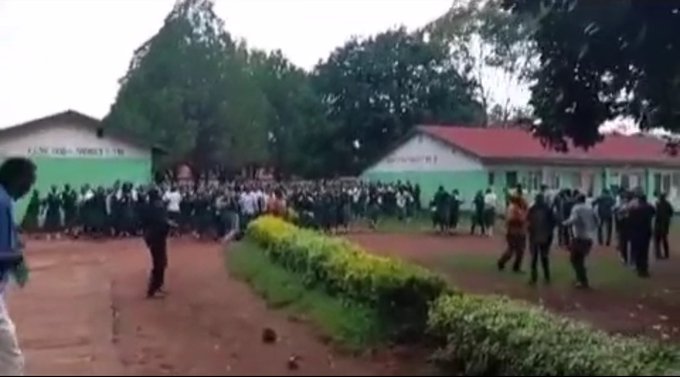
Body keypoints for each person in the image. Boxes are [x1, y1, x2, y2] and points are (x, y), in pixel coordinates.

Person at [0, 157, 37, 375]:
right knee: (11, 359)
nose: (28, 188)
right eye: (28, 182)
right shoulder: (2, 202)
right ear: (17, 179)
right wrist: (16, 259)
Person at [141, 187, 173, 298]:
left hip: (153, 237)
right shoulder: (156, 207)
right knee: (159, 263)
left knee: (160, 262)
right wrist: (169, 224)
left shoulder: (148, 206)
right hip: (157, 237)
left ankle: (158, 286)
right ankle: (153, 288)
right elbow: (161, 221)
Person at [563, 193, 598, 289]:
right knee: (580, 259)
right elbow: (597, 220)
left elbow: (573, 219)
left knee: (574, 259)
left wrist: (564, 223)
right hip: (589, 236)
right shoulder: (590, 208)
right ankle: (581, 279)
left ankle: (582, 280)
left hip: (579, 236)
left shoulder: (576, 208)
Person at [527, 193, 556, 285]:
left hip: (536, 237)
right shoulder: (547, 209)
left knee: (535, 259)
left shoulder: (533, 209)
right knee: (544, 258)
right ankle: (546, 277)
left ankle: (534, 278)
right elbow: (553, 222)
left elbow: (528, 222)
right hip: (544, 237)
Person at [498, 194, 528, 273]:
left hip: (518, 232)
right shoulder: (514, 209)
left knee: (516, 250)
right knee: (516, 250)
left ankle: (504, 263)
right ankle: (505, 263)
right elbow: (512, 219)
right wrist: (521, 219)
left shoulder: (515, 208)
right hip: (515, 232)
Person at [628, 192, 655, 278]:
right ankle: (644, 269)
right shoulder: (649, 208)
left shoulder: (635, 210)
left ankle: (640, 269)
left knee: (638, 251)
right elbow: (654, 211)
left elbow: (630, 218)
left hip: (636, 232)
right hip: (646, 232)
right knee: (645, 251)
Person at [654, 193, 674, 260]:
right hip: (665, 225)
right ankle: (666, 254)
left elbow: (655, 213)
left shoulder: (658, 204)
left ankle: (658, 254)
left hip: (658, 225)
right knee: (664, 239)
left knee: (657, 240)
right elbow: (671, 213)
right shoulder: (668, 204)